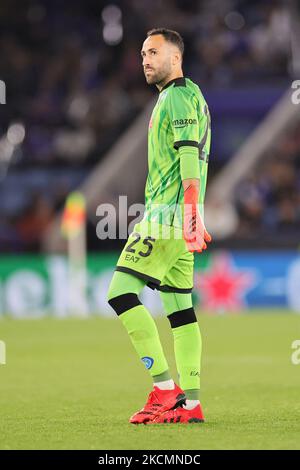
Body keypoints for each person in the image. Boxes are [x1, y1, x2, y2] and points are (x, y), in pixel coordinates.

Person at [107, 28, 211, 424]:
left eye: (154, 52)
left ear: (176, 57)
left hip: (166, 219)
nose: (146, 59)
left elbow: (189, 163)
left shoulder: (179, 97)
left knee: (121, 294)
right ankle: (192, 403)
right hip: (178, 220)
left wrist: (188, 217)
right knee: (180, 310)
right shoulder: (188, 95)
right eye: (142, 53)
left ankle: (166, 391)